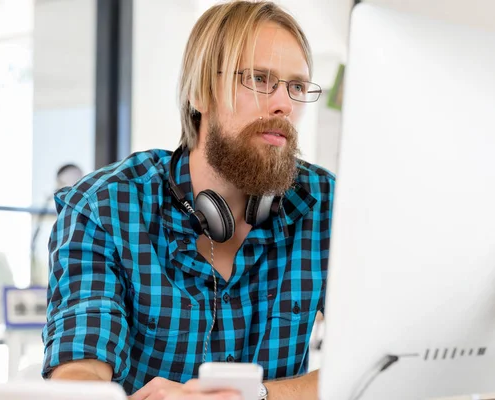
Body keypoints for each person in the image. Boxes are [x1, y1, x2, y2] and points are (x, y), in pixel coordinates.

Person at [41, 1, 335, 399]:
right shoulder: (103, 207)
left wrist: (255, 397)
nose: (283, 104)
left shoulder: (329, 205)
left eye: (296, 86)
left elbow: (379, 363)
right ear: (200, 93)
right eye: (259, 79)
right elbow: (79, 372)